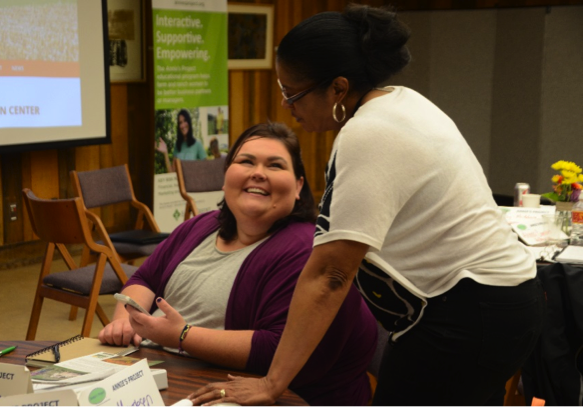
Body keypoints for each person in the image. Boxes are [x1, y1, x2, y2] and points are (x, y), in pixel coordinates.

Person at [190, 5, 545, 407]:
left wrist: (272, 383)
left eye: (294, 93)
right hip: (501, 303)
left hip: (469, 312)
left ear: (339, 88)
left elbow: (331, 274)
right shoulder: (401, 101)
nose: (288, 105)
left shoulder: (370, 132)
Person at [100, 122, 378, 406]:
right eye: (246, 161)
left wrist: (181, 336)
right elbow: (145, 279)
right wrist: (125, 321)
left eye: (275, 165)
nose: (258, 173)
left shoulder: (305, 250)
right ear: (225, 178)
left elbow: (276, 348)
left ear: (298, 187)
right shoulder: (201, 226)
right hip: (160, 370)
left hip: (247, 391)